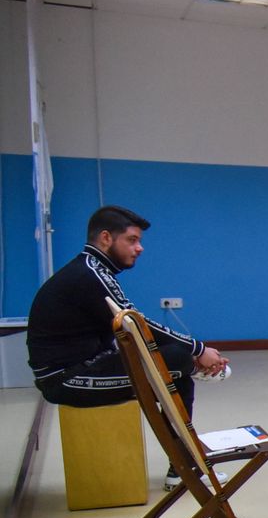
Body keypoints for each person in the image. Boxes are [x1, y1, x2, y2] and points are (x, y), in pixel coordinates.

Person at [28, 204, 231, 488]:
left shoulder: (93, 270)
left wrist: (192, 353)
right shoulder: (90, 274)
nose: (140, 248)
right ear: (106, 238)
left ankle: (182, 467)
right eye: (132, 240)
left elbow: (133, 328)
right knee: (176, 361)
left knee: (177, 364)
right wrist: (198, 349)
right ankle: (184, 467)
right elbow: (138, 325)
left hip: (83, 366)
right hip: (67, 379)